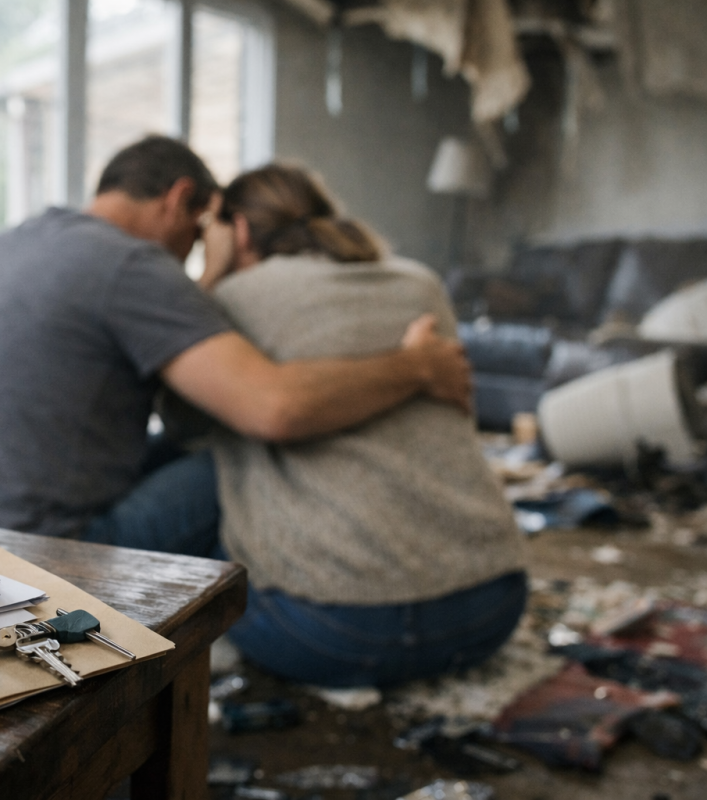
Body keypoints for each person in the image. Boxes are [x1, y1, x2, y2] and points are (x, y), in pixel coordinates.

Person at [0, 135, 472, 556]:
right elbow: (275, 409)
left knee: (186, 446)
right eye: (198, 234)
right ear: (180, 197)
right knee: (253, 456)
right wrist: (417, 366)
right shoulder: (130, 263)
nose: (195, 252)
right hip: (36, 554)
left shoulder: (15, 240)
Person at [202, 163, 526, 687]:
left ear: (237, 230)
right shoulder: (421, 282)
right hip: (491, 605)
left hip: (336, 630)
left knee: (203, 551)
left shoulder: (235, 298)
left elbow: (181, 418)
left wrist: (211, 277)